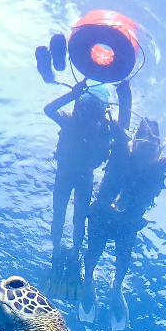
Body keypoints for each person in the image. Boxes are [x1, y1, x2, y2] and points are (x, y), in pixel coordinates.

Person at [81, 119, 166, 329]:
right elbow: (118, 138)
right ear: (134, 141)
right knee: (92, 256)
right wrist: (117, 127)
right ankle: (89, 280)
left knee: (123, 261)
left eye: (152, 145)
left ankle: (116, 288)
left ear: (158, 149)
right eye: (142, 142)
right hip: (101, 216)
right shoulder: (121, 152)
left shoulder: (158, 166)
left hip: (127, 223)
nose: (146, 149)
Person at [43, 78, 132, 299]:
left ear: (101, 112)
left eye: (93, 111)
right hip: (75, 176)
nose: (88, 116)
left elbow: (125, 138)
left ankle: (69, 252)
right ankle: (63, 251)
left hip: (76, 176)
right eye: (86, 109)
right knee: (67, 216)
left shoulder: (96, 127)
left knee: (71, 217)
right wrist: (73, 94)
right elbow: (48, 109)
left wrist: (122, 106)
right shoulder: (79, 124)